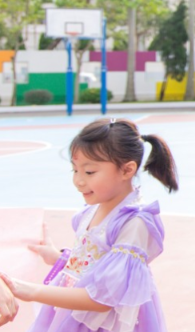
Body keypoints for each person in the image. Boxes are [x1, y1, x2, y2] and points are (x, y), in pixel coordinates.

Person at [0, 118, 178, 332]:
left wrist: (29, 290)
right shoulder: (93, 209)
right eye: (75, 170)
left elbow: (103, 296)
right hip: (76, 315)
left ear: (127, 170)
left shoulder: (134, 223)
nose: (79, 181)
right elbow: (94, 264)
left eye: (89, 172)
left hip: (101, 324)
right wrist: (59, 258)